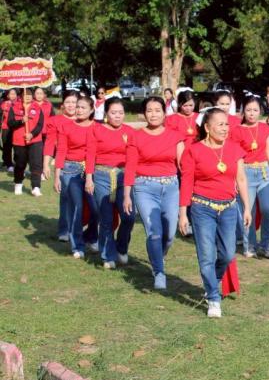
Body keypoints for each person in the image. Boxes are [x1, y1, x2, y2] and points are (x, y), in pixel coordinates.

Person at [179, 108, 251, 318]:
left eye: (227, 124)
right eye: (220, 124)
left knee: (228, 254)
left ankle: (213, 280)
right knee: (206, 256)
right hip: (202, 208)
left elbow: (241, 179)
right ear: (207, 127)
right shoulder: (193, 150)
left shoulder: (235, 148)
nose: (225, 128)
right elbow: (187, 182)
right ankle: (213, 297)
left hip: (228, 208)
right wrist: (182, 213)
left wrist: (246, 207)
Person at [123, 97, 185, 290]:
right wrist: (126, 195)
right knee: (154, 232)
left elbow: (183, 164)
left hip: (171, 188)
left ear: (164, 113)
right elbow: (130, 166)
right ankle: (159, 271)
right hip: (144, 188)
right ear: (144, 114)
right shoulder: (136, 136)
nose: (153, 114)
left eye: (157, 110)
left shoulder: (176, 136)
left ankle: (158, 256)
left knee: (169, 234)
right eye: (149, 110)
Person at [85, 97, 137, 269]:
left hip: (123, 177)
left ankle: (121, 247)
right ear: (106, 113)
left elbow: (134, 158)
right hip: (101, 176)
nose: (117, 116)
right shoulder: (96, 130)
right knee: (106, 218)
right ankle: (108, 255)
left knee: (129, 217)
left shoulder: (130, 132)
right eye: (113, 113)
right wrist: (89, 178)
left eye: (121, 113)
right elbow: (90, 154)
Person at [232, 95, 269, 258]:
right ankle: (250, 245)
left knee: (268, 210)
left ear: (261, 111)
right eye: (248, 110)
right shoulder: (237, 131)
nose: (252, 113)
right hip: (245, 173)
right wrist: (236, 178)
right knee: (248, 211)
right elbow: (235, 156)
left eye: (255, 110)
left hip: (264, 173)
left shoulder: (265, 128)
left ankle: (266, 244)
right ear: (243, 111)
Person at [54, 95, 99, 258]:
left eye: (82, 107)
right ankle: (77, 246)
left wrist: (90, 176)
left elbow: (97, 151)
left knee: (96, 208)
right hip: (70, 170)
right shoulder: (66, 127)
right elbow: (61, 151)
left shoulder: (97, 127)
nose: (78, 110)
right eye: (77, 107)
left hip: (93, 170)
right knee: (76, 209)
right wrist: (57, 176)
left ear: (91, 110)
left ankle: (91, 236)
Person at [43, 90, 80, 241]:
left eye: (74, 102)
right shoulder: (55, 121)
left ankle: (82, 229)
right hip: (65, 164)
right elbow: (49, 143)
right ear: (63, 104)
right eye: (68, 102)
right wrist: (46, 165)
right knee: (66, 197)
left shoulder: (85, 120)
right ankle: (64, 230)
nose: (71, 105)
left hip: (86, 164)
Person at [7, 88, 45, 196]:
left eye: (29, 94)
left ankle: (36, 187)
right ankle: (18, 183)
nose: (27, 96)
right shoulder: (14, 108)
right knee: (20, 164)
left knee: (36, 164)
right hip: (19, 141)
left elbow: (40, 125)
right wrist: (21, 121)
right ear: (21, 96)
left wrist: (32, 134)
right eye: (25, 94)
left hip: (35, 141)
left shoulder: (37, 108)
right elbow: (10, 123)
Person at [1, 88, 18, 172]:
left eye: (14, 94)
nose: (13, 95)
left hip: (16, 128)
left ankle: (16, 162)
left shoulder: (20, 103)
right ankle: (8, 163)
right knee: (7, 147)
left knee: (17, 147)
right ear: (8, 95)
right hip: (6, 128)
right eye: (11, 94)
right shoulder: (4, 104)